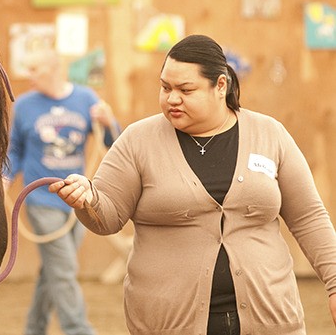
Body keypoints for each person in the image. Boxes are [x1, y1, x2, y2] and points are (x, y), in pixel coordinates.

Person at [49, 34, 336, 335]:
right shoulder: (137, 141)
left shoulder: (270, 134)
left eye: (186, 90)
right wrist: (87, 197)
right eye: (165, 87)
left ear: (220, 86)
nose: (172, 98)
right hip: (169, 324)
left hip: (272, 321)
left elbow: (309, 218)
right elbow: (107, 217)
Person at [4, 49, 120, 335]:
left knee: (54, 270)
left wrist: (109, 121)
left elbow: (113, 143)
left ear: (54, 69)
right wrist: (5, 176)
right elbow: (15, 148)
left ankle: (34, 329)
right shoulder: (25, 105)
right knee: (64, 268)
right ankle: (79, 330)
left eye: (35, 70)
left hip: (77, 201)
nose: (28, 76)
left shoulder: (86, 99)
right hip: (41, 199)